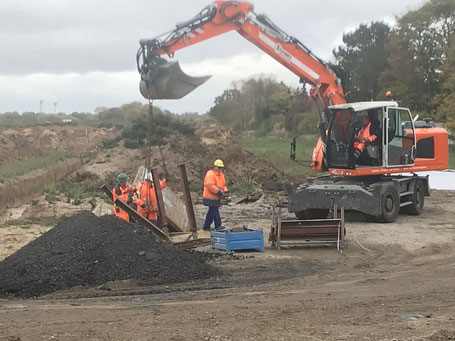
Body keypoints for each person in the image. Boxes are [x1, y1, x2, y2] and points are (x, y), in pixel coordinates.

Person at [202, 159, 228, 231]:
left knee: (211, 211)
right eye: (219, 167)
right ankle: (218, 225)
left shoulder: (221, 175)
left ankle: (206, 226)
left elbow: (224, 184)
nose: (220, 169)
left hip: (216, 197)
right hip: (210, 197)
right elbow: (210, 186)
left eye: (221, 168)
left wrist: (225, 192)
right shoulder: (210, 174)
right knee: (215, 210)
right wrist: (219, 192)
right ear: (215, 167)